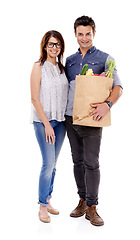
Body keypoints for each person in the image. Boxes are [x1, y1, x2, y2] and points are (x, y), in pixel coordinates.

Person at [65, 16, 123, 226]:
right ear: (75, 35)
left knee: (92, 163)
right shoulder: (69, 60)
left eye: (88, 33)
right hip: (70, 119)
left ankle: (92, 206)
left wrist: (107, 104)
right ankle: (81, 200)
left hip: (92, 119)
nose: (84, 38)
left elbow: (118, 87)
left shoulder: (105, 58)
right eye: (80, 34)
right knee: (77, 161)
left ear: (93, 34)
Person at [30, 30, 68, 223]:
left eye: (58, 44)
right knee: (47, 164)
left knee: (53, 165)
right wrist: (46, 125)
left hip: (61, 122)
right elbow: (35, 99)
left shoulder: (62, 68)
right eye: (51, 44)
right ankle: (42, 207)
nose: (55, 47)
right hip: (43, 122)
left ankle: (48, 199)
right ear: (45, 46)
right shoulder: (38, 67)